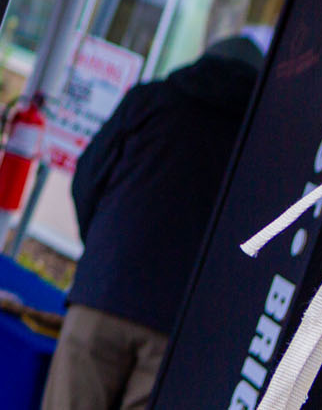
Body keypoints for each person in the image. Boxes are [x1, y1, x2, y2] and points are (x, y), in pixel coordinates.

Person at [42, 29, 268, 410]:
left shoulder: (151, 100)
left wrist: (102, 251)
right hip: (177, 324)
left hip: (104, 293)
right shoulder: (257, 142)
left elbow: (87, 179)